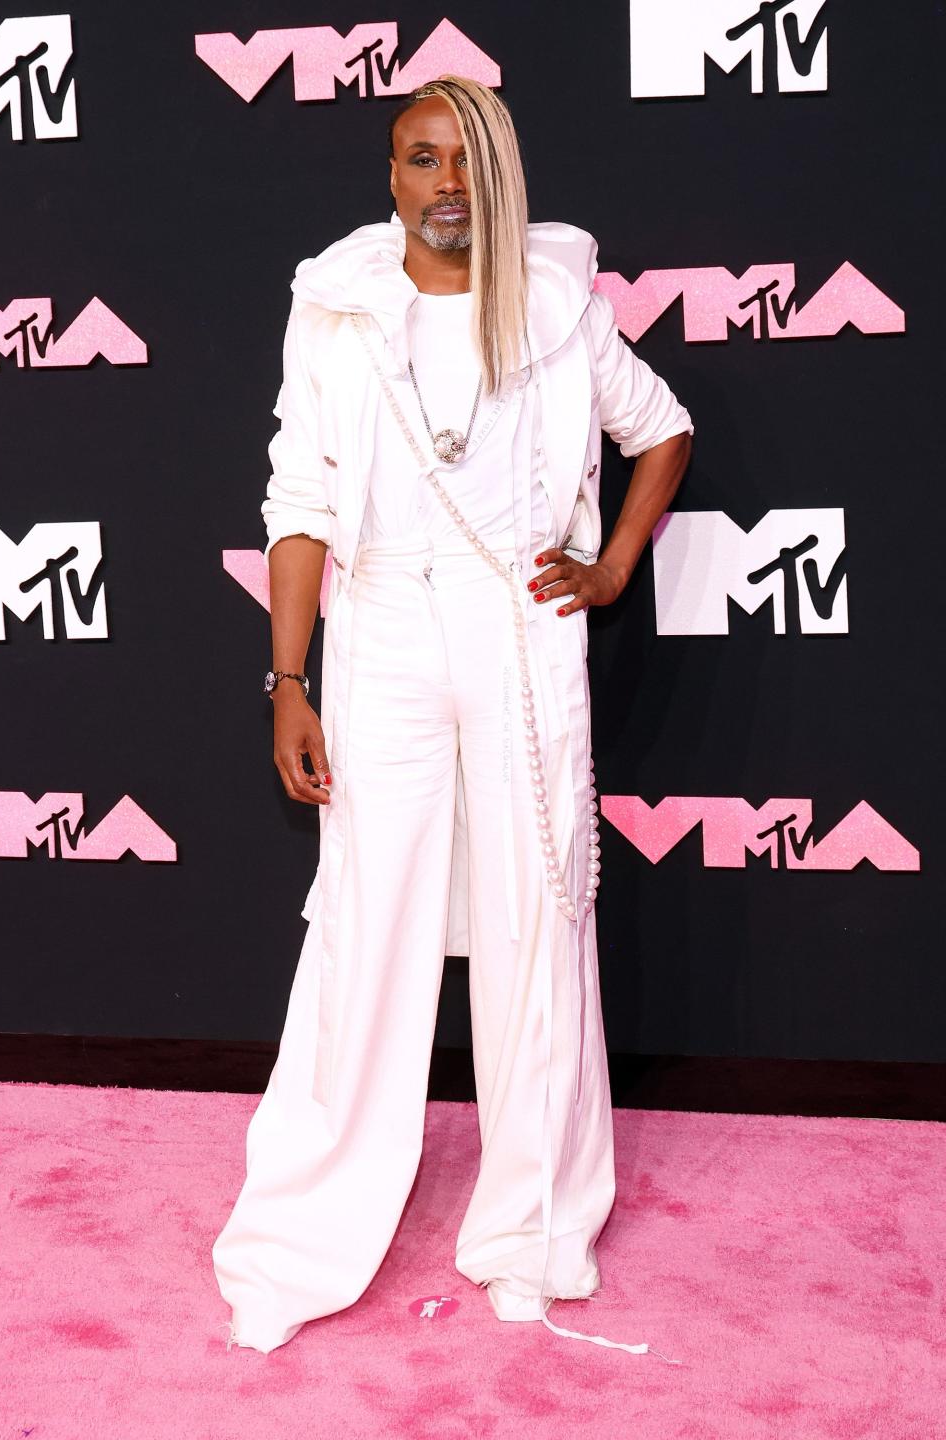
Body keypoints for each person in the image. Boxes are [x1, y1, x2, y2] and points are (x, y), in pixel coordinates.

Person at [212, 75, 693, 1359]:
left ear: (499, 176)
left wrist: (615, 563)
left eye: (467, 161)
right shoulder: (336, 312)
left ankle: (532, 1232)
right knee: (368, 927)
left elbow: (664, 430)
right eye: (421, 159)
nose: (444, 186)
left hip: (523, 628)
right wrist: (290, 680)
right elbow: (299, 499)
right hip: (381, 637)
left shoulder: (555, 309)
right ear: (390, 176)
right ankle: (308, 1232)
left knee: (540, 921)